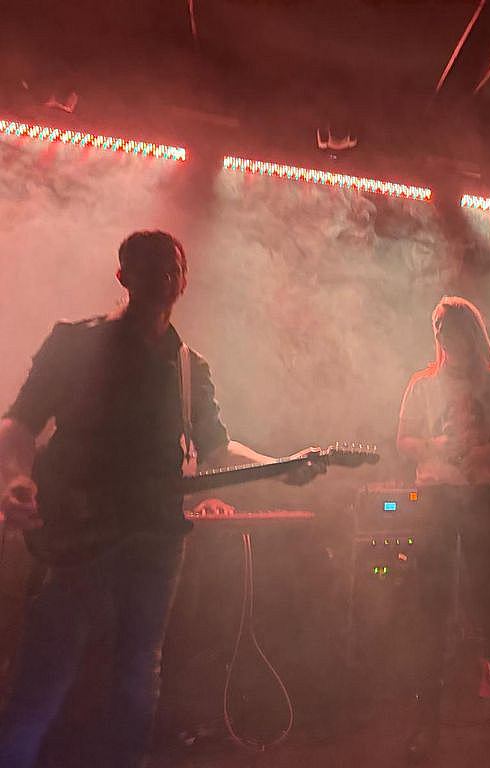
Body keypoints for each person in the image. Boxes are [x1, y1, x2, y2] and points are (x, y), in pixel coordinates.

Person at [0, 230, 324, 768]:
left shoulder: (190, 367)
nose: (166, 277)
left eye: (174, 267)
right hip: (78, 531)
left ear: (185, 280)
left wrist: (281, 466)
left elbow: (216, 448)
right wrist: (15, 478)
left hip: (156, 537)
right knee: (47, 668)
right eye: (151, 267)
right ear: (123, 276)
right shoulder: (76, 343)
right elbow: (19, 421)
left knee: (138, 669)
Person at [396, 295, 490, 762]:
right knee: (431, 611)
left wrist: (487, 450)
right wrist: (434, 446)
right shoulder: (421, 384)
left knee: (489, 609)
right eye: (438, 329)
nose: (443, 337)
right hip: (436, 497)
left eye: (450, 329)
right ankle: (425, 722)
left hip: (480, 495)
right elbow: (403, 439)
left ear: (468, 333)